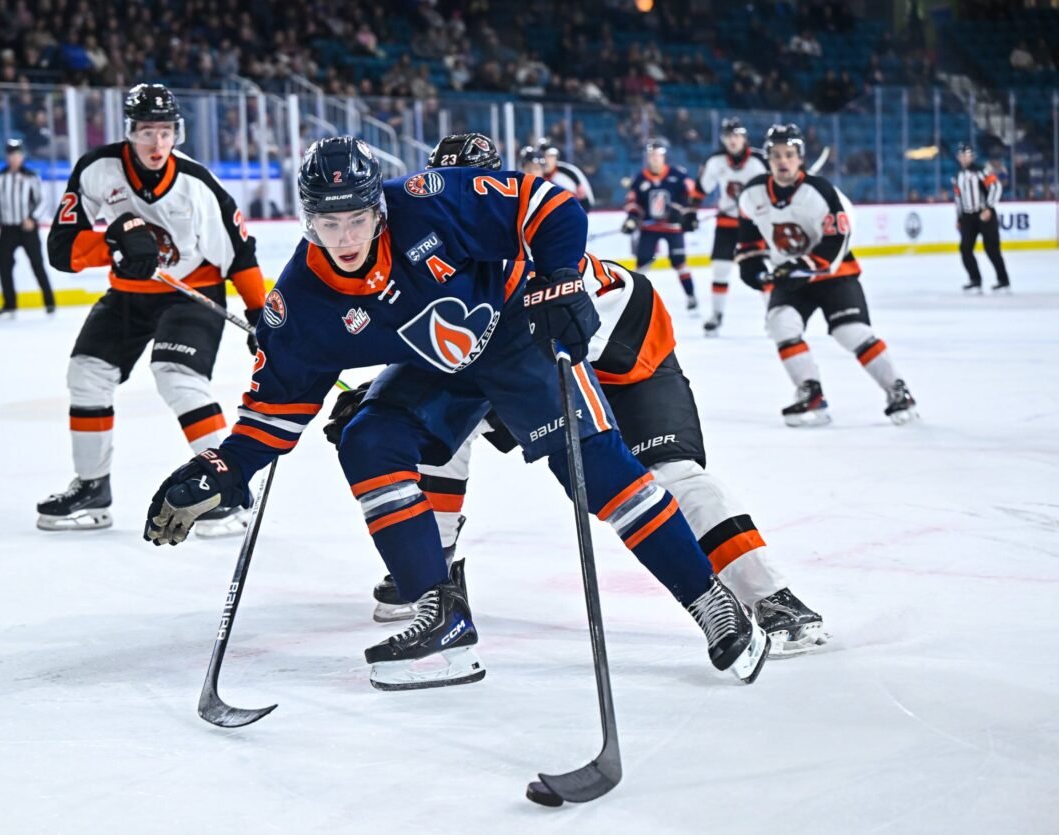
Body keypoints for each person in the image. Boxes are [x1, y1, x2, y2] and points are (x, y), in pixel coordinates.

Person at [144, 135, 770, 691]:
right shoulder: (301, 303)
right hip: (440, 367)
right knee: (367, 437)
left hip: (517, 334)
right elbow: (274, 413)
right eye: (328, 224)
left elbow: (548, 204)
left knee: (594, 470)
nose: (346, 238)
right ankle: (440, 615)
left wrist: (559, 279)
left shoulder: (429, 200)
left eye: (357, 219)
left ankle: (710, 600)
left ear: (379, 207)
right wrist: (224, 468)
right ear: (307, 221)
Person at [326, 133, 828, 657]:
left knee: (669, 475)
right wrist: (386, 399)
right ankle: (436, 571)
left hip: (629, 363)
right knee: (441, 439)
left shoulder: (516, 246)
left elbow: (487, 342)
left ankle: (771, 595)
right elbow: (454, 345)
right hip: (538, 368)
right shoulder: (437, 248)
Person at [37, 83, 265, 533]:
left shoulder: (198, 184)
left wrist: (261, 317)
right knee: (87, 373)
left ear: (177, 133)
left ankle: (226, 488)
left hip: (191, 290)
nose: (156, 143)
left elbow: (240, 254)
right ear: (130, 131)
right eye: (146, 132)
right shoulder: (98, 169)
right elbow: (62, 250)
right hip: (129, 293)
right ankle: (92, 488)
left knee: (177, 376)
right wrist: (113, 241)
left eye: (165, 132)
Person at [736, 124, 918, 427]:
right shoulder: (752, 193)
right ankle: (811, 393)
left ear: (800, 158)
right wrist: (751, 265)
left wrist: (802, 266)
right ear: (768, 158)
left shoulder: (820, 191)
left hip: (834, 274)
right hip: (789, 277)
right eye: (776, 155)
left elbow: (838, 239)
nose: (783, 161)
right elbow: (748, 233)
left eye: (789, 154)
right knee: (781, 324)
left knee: (851, 332)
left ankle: (897, 390)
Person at [695, 118, 769, 335]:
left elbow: (774, 187)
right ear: (723, 139)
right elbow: (700, 189)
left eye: (737, 136)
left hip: (753, 223)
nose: (733, 140)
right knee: (720, 269)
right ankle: (716, 315)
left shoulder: (759, 161)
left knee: (759, 271)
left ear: (744, 138)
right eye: (729, 136)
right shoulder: (715, 161)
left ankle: (773, 315)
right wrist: (690, 212)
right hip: (726, 223)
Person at [622, 136, 702, 310]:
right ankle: (633, 299)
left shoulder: (678, 175)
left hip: (673, 228)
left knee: (679, 261)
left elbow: (692, 196)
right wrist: (632, 218)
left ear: (664, 156)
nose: (654, 158)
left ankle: (691, 296)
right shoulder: (640, 179)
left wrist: (682, 212)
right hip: (649, 228)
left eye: (657, 155)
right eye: (651, 155)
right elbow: (633, 201)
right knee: (642, 263)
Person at [0, 138, 55, 317]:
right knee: (3, 265)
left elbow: (42, 201)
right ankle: (10, 304)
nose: (14, 158)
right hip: (8, 228)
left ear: (22, 156)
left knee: (37, 264)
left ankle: (49, 302)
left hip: (27, 228)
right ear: (7, 157)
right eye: (11, 155)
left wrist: (33, 218)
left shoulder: (31, 177)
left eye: (17, 155)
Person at [953, 143, 1011, 293]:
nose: (964, 158)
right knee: (965, 249)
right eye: (961, 156)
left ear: (973, 157)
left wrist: (988, 207)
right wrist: (959, 218)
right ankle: (975, 280)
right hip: (967, 216)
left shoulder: (981, 171)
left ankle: (1003, 281)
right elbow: (958, 198)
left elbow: (996, 186)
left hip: (984, 214)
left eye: (967, 156)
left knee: (991, 249)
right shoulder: (958, 175)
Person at [538, 138, 594, 210]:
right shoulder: (533, 175)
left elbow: (587, 202)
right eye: (541, 156)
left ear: (556, 157)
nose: (545, 160)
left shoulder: (570, 173)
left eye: (549, 156)